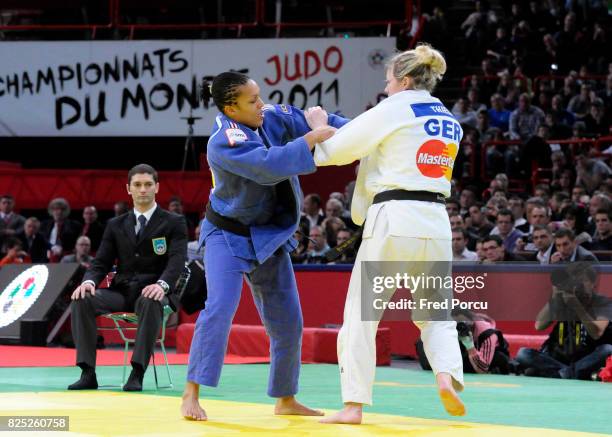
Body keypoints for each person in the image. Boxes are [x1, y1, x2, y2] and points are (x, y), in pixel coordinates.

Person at [310, 43, 466, 424]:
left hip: (394, 218)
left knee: (362, 317)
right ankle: (445, 376)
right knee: (436, 315)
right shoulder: (450, 119)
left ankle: (353, 406)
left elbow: (337, 151)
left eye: (388, 81)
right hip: (435, 220)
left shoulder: (394, 108)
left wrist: (317, 126)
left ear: (406, 79)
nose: (386, 87)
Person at [180, 71, 346, 421]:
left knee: (288, 321)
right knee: (221, 307)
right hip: (227, 233)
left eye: (259, 96)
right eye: (252, 101)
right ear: (230, 107)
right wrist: (312, 138)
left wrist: (374, 129)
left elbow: (320, 119)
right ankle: (190, 393)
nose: (261, 104)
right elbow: (267, 166)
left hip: (268, 236)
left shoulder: (268, 116)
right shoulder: (223, 140)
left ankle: (285, 398)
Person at [68, 164, 187, 392]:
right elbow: (100, 262)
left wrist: (162, 285)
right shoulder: (115, 224)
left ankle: (137, 372)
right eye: (138, 185)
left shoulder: (174, 222)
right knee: (82, 299)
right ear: (128, 189)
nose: (143, 190)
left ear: (157, 187)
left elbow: (176, 261)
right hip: (122, 292)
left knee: (150, 299)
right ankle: (87, 372)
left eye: (148, 185)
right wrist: (88, 281)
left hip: (156, 293)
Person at [516, 263, 612, 379]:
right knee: (523, 354)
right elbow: (539, 325)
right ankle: (568, 373)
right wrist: (555, 297)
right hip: (561, 357)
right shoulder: (563, 298)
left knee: (608, 350)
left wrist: (576, 306)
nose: (578, 285)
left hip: (587, 356)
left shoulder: (603, 303)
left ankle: (558, 373)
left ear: (593, 283)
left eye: (583, 281)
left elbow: (596, 333)